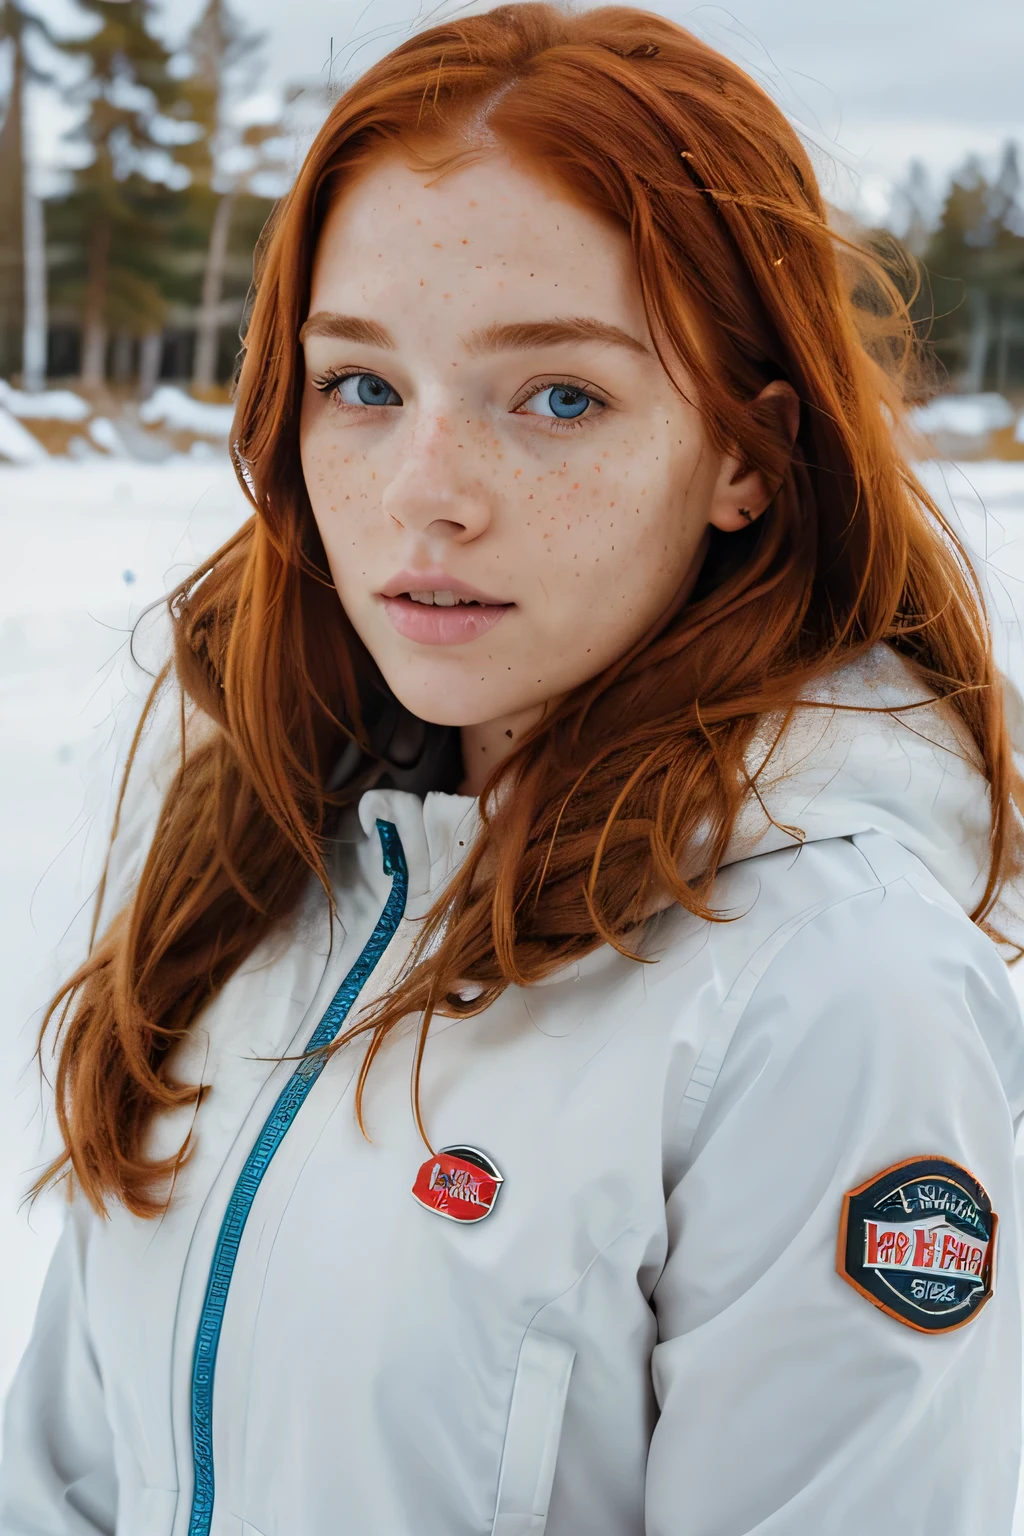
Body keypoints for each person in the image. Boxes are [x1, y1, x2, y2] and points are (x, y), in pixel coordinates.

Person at [3, 5, 1023, 1533]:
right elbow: (69, 1471)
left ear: (745, 456)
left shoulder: (827, 987)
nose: (427, 495)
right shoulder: (265, 857)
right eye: (362, 385)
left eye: (559, 398)